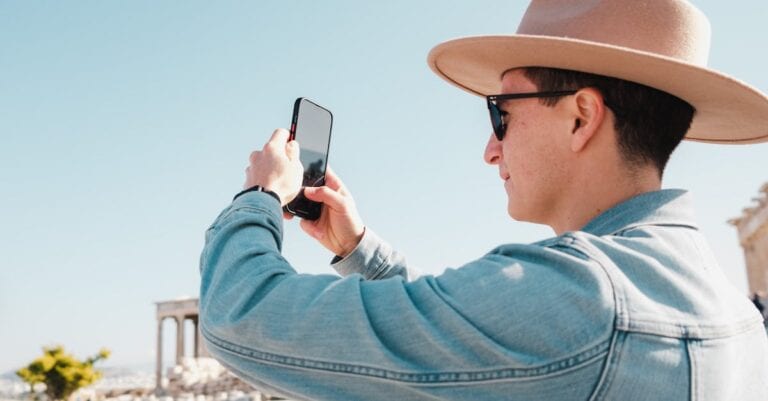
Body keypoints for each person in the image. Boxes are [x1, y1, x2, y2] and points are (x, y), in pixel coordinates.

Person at [199, 0, 768, 400]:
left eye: (501, 114)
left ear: (581, 117)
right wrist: (359, 250)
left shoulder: (585, 299)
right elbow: (477, 330)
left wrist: (261, 196)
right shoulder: (737, 315)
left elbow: (239, 318)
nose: (490, 150)